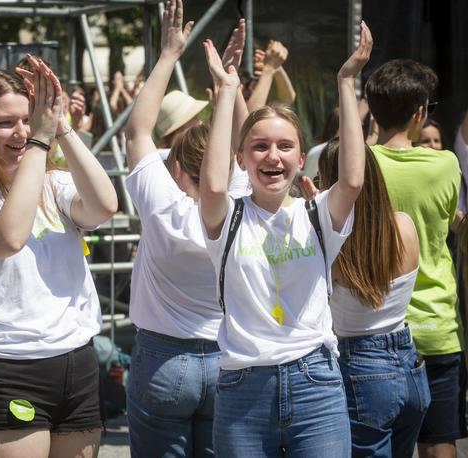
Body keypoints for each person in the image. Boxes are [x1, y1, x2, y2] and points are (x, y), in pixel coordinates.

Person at [0, 59, 117, 456]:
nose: (22, 132)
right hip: (6, 368)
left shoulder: (54, 183)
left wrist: (61, 126)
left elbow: (104, 206)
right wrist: (39, 143)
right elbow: (8, 237)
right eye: (5, 123)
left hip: (76, 362)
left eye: (28, 120)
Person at [199, 21, 372, 457]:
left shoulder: (317, 214)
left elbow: (352, 179)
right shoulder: (228, 218)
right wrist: (226, 91)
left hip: (316, 382)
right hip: (243, 388)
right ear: (241, 157)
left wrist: (347, 82)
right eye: (259, 147)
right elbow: (214, 186)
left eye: (284, 146)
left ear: (301, 157)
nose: (272, 156)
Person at [123, 2, 249, 455]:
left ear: (176, 165)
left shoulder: (161, 206)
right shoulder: (237, 207)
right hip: (226, 359)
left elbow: (137, 131)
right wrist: (230, 87)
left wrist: (168, 55)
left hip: (162, 358)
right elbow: (249, 145)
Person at [301, 138, 430, 456]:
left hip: (360, 371)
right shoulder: (404, 225)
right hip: (410, 364)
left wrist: (316, 210)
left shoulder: (330, 245)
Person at [366, 58, 465, 458]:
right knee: (439, 441)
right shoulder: (445, 164)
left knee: (376, 446)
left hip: (373, 328)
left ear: (373, 111)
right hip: (436, 326)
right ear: (419, 113)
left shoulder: (361, 167)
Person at [245, 40, 297, 112]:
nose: (250, 87)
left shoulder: (264, 109)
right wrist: (269, 68)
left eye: (256, 81)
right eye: (244, 82)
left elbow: (287, 99)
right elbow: (250, 118)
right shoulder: (228, 109)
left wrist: (276, 65)